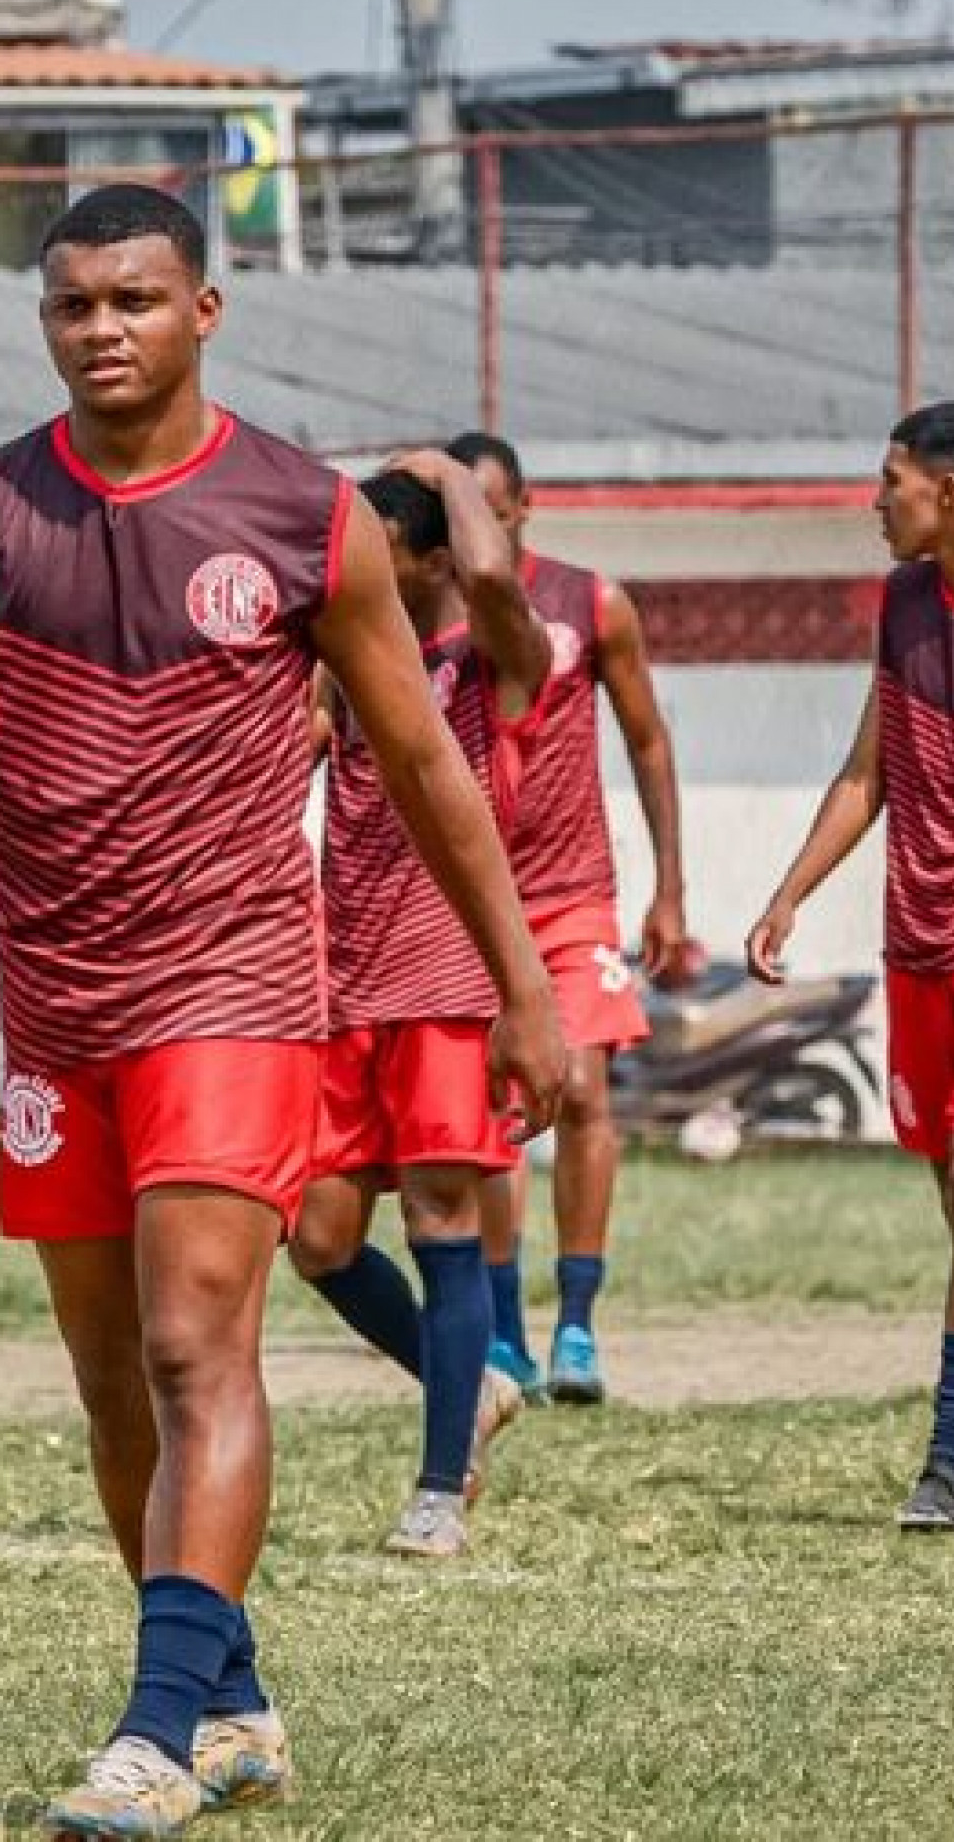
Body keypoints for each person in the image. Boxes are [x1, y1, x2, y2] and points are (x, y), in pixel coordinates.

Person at [0, 184, 563, 1839]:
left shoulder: (302, 516)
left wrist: (522, 983)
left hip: (238, 989)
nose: (103, 329)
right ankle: (232, 1699)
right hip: (58, 1008)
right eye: (73, 306)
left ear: (204, 311)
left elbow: (422, 762)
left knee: (195, 1348)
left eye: (136, 300)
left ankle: (156, 1733)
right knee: (115, 1387)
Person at [290, 451, 551, 1559]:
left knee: (443, 1221)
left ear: (433, 557)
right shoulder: (343, 661)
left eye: (380, 551)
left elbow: (492, 578)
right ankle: (477, 1380)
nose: (354, 567)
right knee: (318, 1238)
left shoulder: (496, 656)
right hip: (346, 983)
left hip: (452, 980)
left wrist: (448, 472)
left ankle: (440, 1488)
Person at [748, 402, 954, 1533]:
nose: (873, 501)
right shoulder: (902, 606)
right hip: (920, 943)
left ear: (948, 491)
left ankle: (947, 1466)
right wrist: (790, 891)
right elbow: (868, 774)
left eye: (889, 481)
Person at [449, 431, 688, 1405]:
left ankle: (578, 1325)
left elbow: (646, 738)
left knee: (583, 1091)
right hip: (466, 905)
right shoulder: (420, 613)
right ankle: (505, 1335)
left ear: (521, 509)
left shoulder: (590, 603)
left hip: (572, 892)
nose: (478, 525)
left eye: (490, 507)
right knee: (494, 1117)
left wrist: (670, 887)